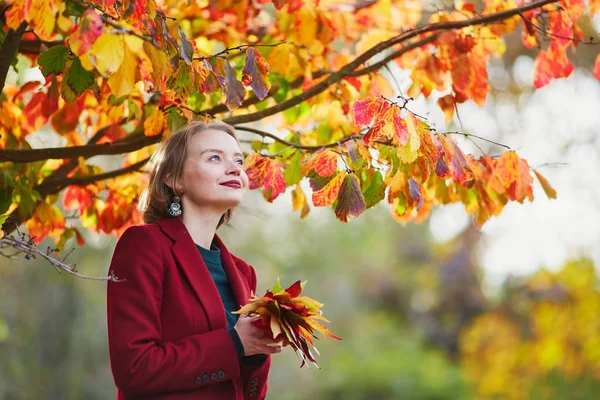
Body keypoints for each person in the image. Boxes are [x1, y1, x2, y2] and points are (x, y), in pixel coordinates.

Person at [106, 120, 282, 400]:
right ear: (173, 178)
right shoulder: (144, 246)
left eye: (238, 160)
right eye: (214, 158)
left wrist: (256, 353)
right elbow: (134, 369)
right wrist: (234, 344)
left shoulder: (242, 272)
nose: (236, 168)